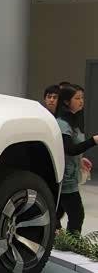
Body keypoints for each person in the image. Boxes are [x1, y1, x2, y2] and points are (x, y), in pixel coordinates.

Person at [54, 85, 97, 234]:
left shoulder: (74, 121)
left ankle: (57, 238)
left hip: (71, 175)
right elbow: (70, 149)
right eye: (77, 98)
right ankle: (71, 242)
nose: (81, 101)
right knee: (76, 214)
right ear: (67, 101)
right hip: (65, 178)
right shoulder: (62, 123)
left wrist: (81, 160)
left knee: (59, 212)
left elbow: (74, 149)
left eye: (82, 98)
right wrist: (93, 141)